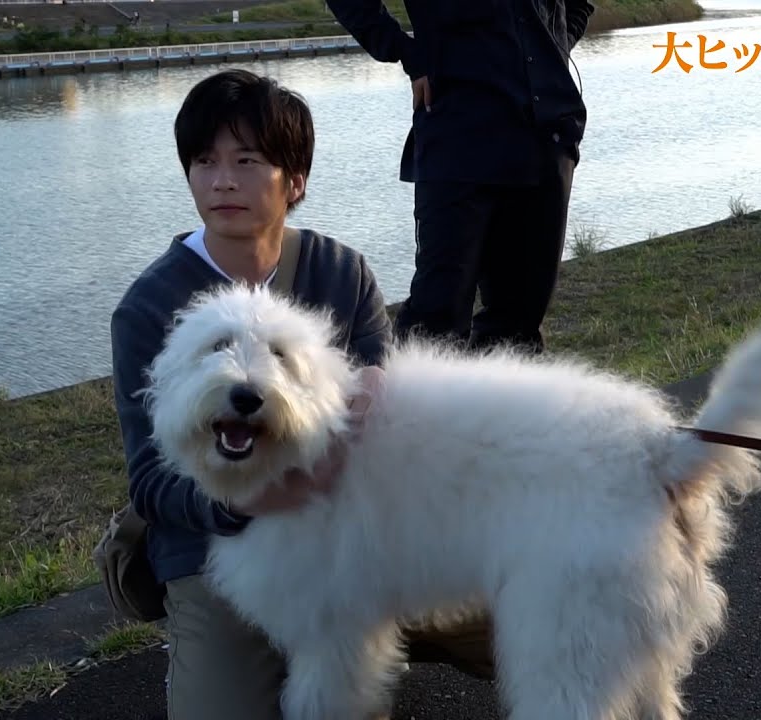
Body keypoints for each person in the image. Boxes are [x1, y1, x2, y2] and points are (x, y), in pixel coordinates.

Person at [110, 68, 489, 719]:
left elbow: (384, 416)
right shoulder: (149, 307)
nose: (223, 180)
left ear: (296, 180)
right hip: (212, 544)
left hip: (352, 528)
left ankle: (366, 636)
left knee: (526, 617)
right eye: (204, 161)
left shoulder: (341, 272)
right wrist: (240, 503)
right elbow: (149, 478)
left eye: (247, 161)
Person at [326, 0, 593, 354]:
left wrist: (553, 51)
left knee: (518, 323)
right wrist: (406, 52)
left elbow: (578, 5)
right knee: (436, 317)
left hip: (546, 137)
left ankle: (508, 409)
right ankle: (414, 409)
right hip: (457, 134)